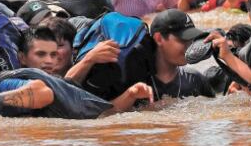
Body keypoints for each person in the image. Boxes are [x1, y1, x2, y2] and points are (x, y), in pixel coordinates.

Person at [69, 9, 215, 102]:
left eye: (191, 40)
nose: (188, 46)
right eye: (182, 40)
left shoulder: (195, 80)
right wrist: (89, 58)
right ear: (158, 39)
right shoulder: (132, 76)